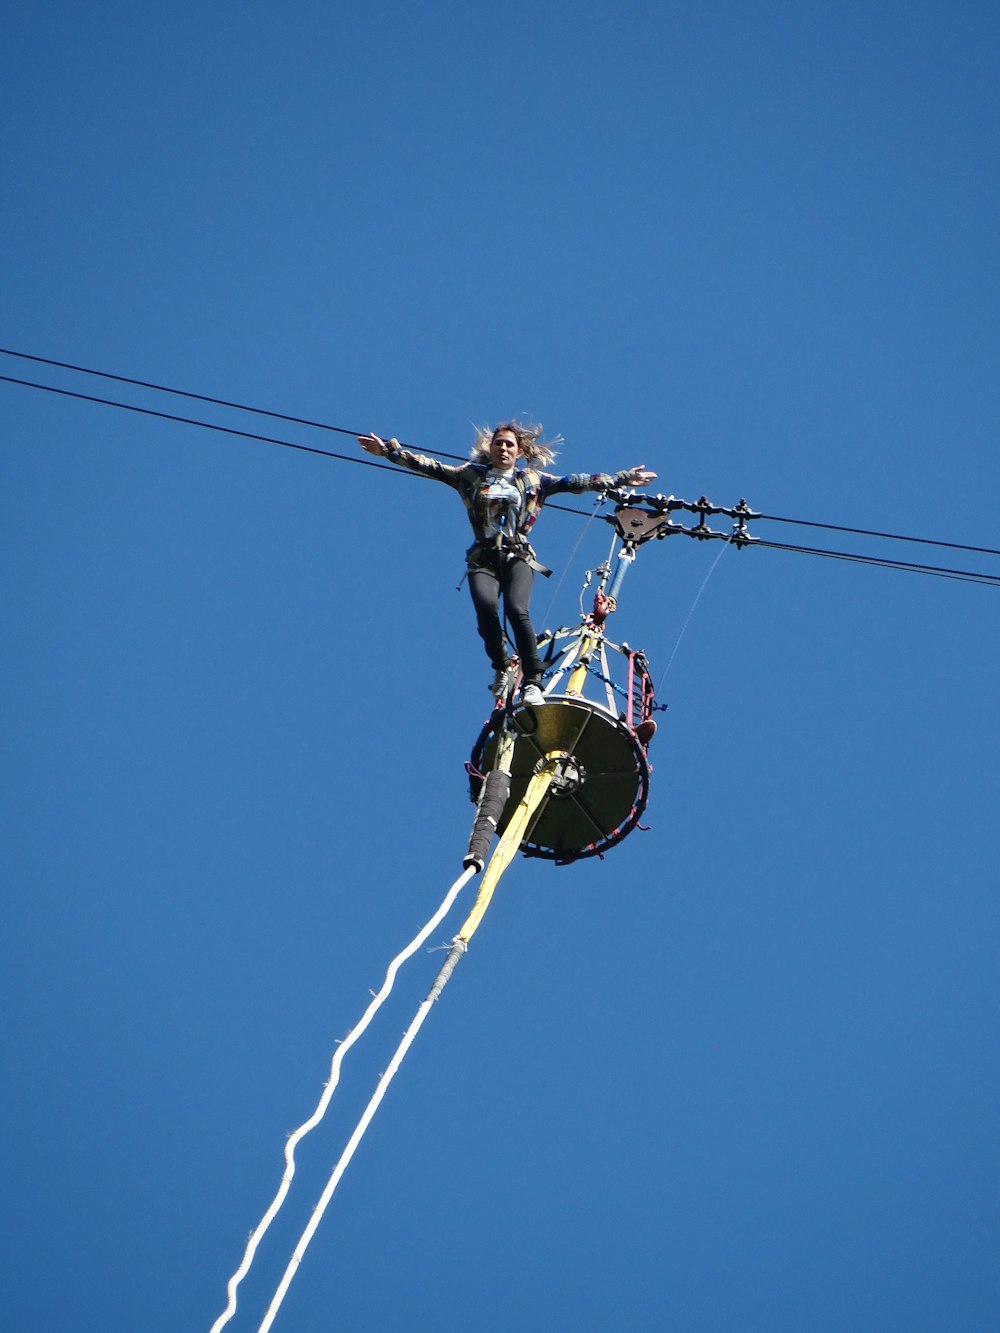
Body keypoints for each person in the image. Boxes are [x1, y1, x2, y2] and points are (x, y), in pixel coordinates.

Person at [359, 422, 656, 705]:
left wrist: (622, 478)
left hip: (518, 557)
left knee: (517, 611)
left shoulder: (534, 481)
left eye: (509, 445)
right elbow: (430, 466)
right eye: (498, 443)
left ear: (519, 452)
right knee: (487, 609)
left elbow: (579, 481)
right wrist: (388, 452)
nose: (503, 448)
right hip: (483, 558)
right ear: (489, 448)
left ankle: (532, 682)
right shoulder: (470, 475)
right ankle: (502, 666)